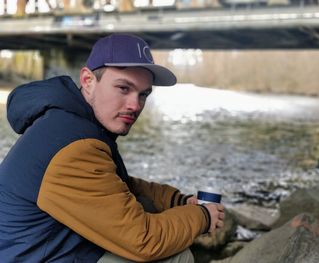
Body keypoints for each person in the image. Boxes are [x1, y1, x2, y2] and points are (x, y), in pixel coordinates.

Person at [0, 34, 225, 262]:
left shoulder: (73, 121)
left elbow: (115, 183)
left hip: (48, 247)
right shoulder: (75, 147)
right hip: (34, 257)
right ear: (88, 81)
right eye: (123, 88)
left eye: (143, 94)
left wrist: (177, 201)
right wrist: (203, 217)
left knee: (146, 210)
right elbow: (144, 240)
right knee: (176, 257)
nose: (135, 105)